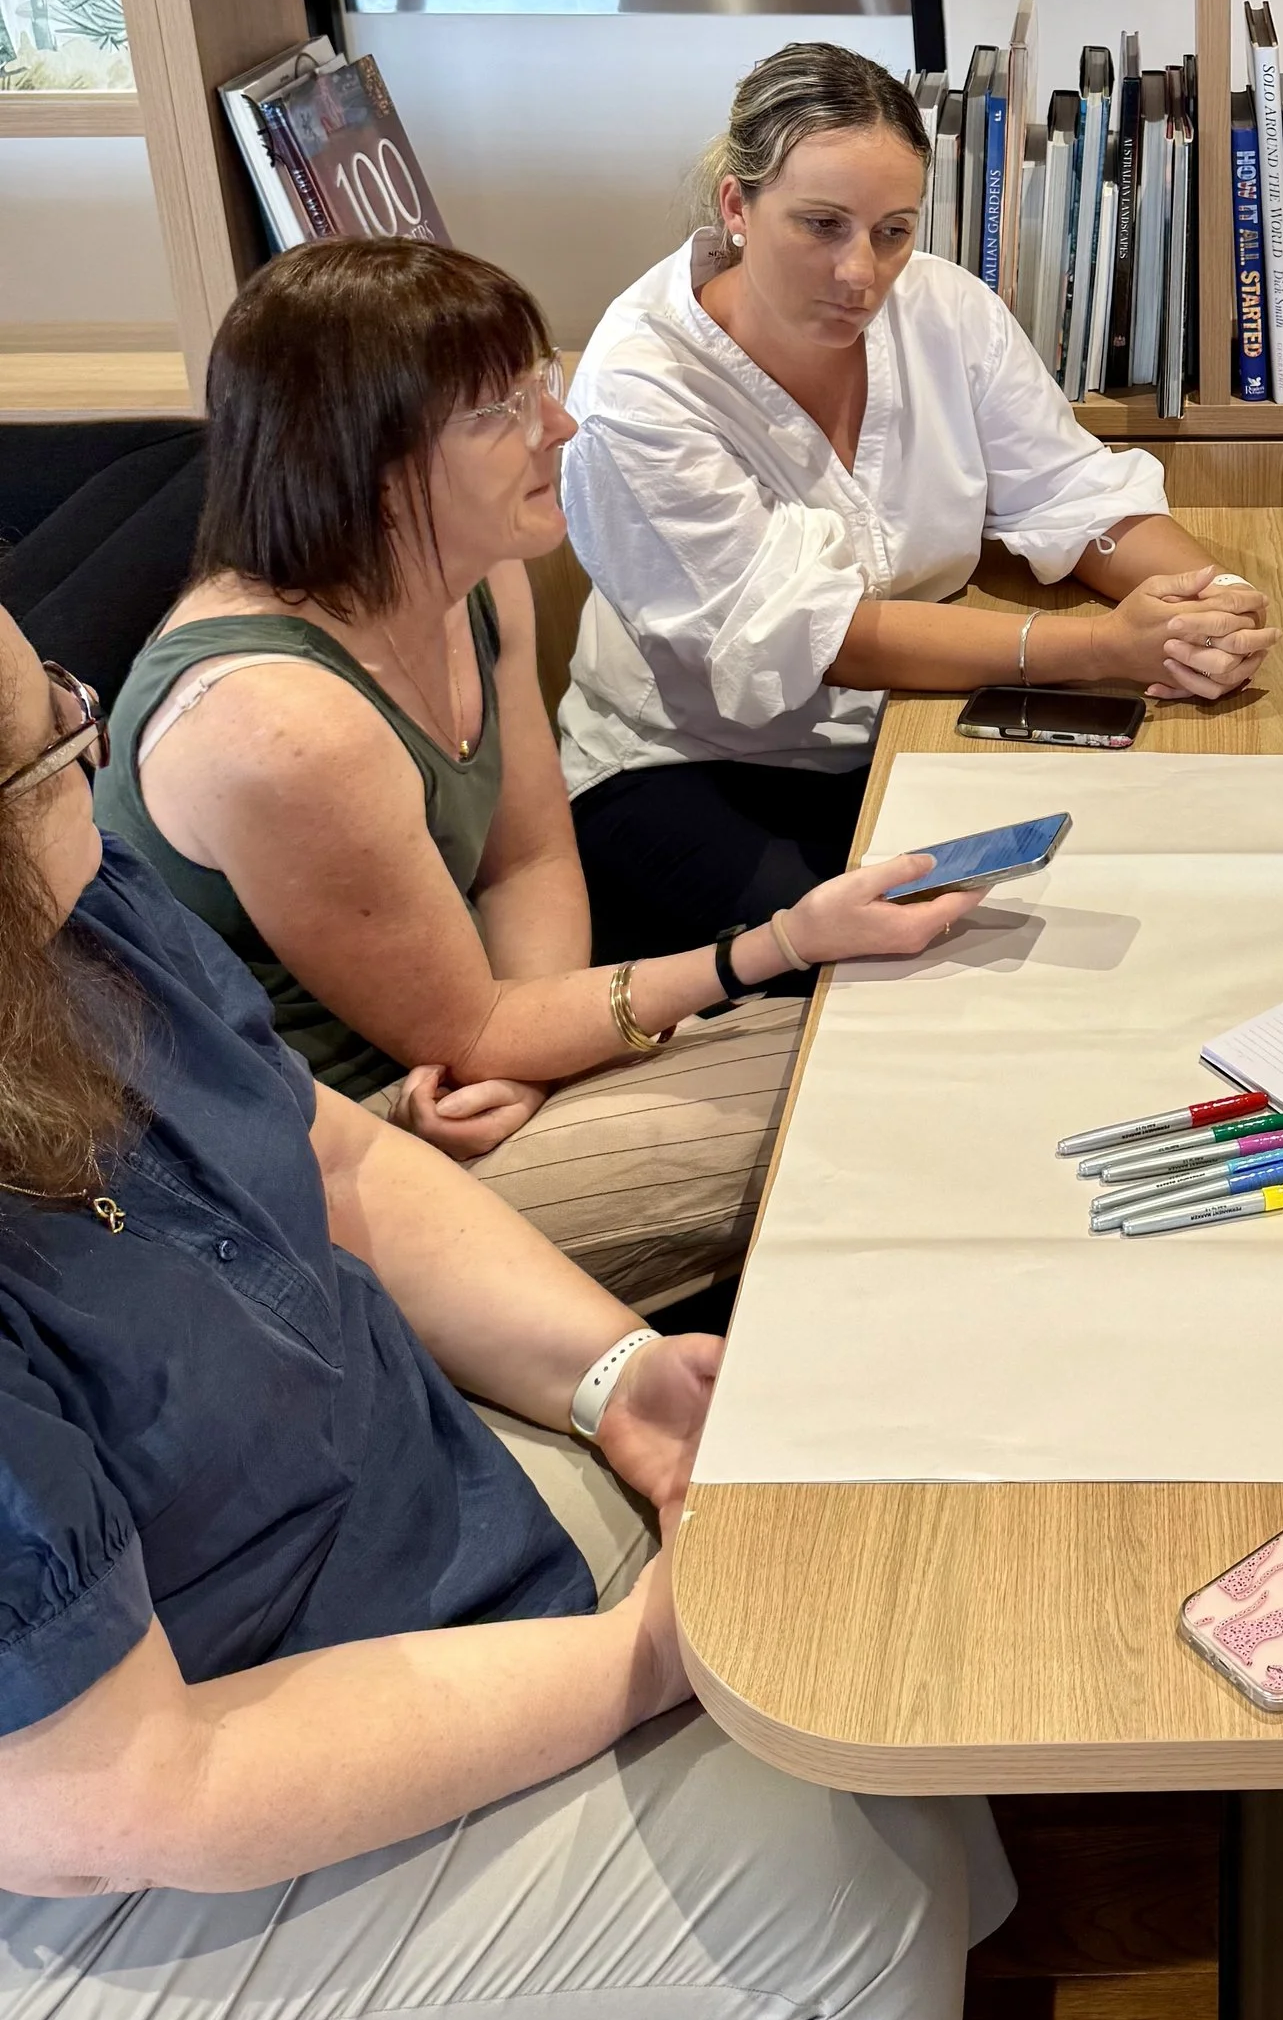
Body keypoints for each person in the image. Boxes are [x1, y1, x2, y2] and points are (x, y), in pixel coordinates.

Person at [0, 602, 1145, 2020]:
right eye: (55, 739)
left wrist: (618, 1378)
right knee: (820, 1875)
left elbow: (339, 1162)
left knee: (847, 1583)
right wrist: (640, 1657)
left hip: (367, 1551)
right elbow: (121, 1794)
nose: (92, 732)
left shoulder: (74, 912)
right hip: (86, 1890)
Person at [95, 239, 977, 1308]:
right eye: (498, 412)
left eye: (538, 389)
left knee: (901, 1041)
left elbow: (527, 863)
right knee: (882, 1081)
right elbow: (460, 1031)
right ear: (368, 464)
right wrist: (777, 944)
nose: (556, 426)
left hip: (459, 1072)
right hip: (312, 1165)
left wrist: (523, 1047)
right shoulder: (281, 726)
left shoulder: (476, 575)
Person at [558, 42, 1275, 959]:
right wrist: (1101, 645)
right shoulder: (639, 388)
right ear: (737, 205)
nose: (862, 272)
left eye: (892, 230)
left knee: (1158, 881)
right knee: (943, 962)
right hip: (693, 767)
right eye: (822, 225)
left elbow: (1072, 492)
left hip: (911, 725)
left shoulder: (946, 310)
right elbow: (820, 634)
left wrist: (1204, 603)